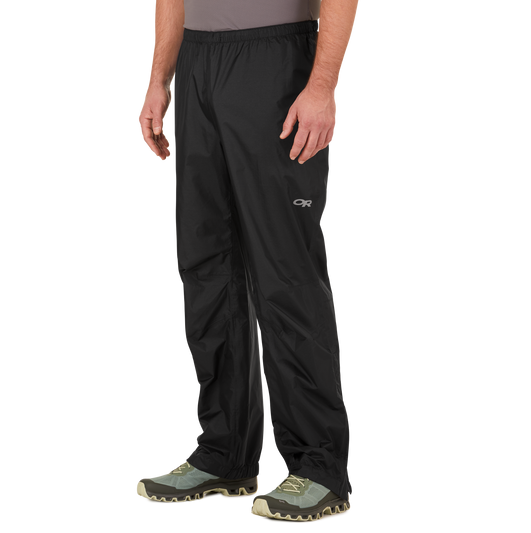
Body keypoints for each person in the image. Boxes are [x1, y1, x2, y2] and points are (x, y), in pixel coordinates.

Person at [135, 0, 361, 524]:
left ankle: (320, 467)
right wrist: (158, 79)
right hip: (197, 64)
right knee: (205, 265)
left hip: (276, 57)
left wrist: (323, 86)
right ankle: (225, 454)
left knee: (285, 269)